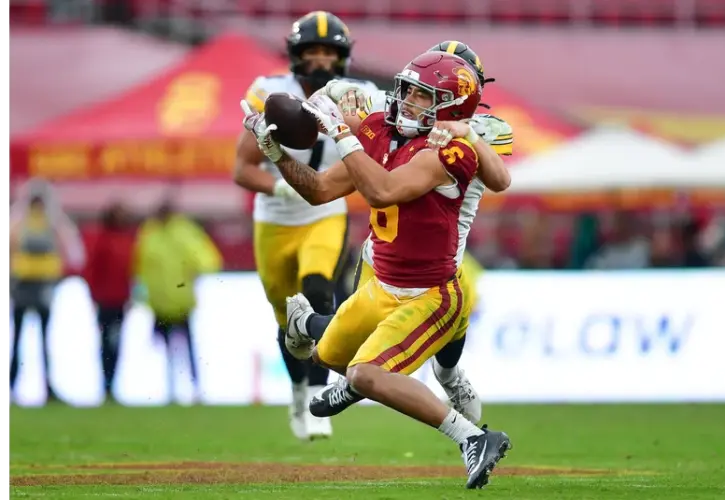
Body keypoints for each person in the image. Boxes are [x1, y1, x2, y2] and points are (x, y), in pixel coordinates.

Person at [249, 51, 511, 489]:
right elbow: (319, 190)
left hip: (430, 293)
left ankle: (473, 438)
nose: (406, 101)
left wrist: (339, 132)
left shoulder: (453, 147)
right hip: (381, 281)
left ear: (452, 105)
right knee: (328, 359)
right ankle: (310, 326)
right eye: (406, 89)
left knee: (365, 373)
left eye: (421, 96)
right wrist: (276, 153)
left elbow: (384, 190)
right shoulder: (380, 131)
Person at [232, 10, 379, 441]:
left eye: (328, 52)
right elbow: (243, 169)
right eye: (312, 51)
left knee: (317, 292)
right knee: (286, 320)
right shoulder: (270, 92)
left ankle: (317, 396)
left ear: (343, 57)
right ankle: (298, 391)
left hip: (324, 212)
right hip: (275, 218)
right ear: (296, 55)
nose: (320, 60)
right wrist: (279, 189)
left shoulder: (360, 94)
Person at [134, 201, 222, 404]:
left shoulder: (179, 232)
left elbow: (208, 261)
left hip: (181, 303)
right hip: (159, 304)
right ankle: (172, 390)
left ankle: (195, 390)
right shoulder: (150, 233)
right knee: (168, 349)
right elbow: (140, 267)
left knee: (186, 348)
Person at [8, 179, 85, 404]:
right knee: (20, 338)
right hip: (23, 285)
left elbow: (71, 247)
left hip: (44, 285)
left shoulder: (51, 221)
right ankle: (15, 385)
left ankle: (46, 386)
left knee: (41, 339)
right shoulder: (21, 220)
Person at [84, 202, 136, 403]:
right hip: (105, 300)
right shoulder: (103, 239)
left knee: (115, 342)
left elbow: (131, 270)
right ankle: (106, 383)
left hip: (120, 300)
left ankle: (112, 383)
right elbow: (92, 270)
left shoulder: (127, 239)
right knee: (107, 342)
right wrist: (93, 296)